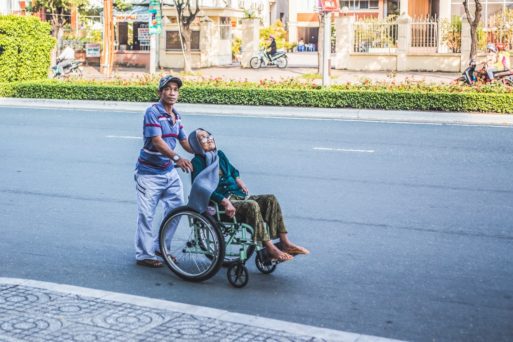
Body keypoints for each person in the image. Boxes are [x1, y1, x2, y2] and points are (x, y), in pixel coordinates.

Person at [189, 128, 310, 262]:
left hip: (237, 197)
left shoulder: (219, 155)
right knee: (252, 206)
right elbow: (201, 188)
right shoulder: (197, 162)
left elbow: (233, 170)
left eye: (209, 135)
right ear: (196, 144)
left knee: (270, 199)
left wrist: (238, 179)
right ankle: (270, 248)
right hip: (221, 206)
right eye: (203, 138)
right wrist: (224, 201)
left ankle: (285, 243)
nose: (209, 139)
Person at [134, 75, 194, 268]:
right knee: (146, 215)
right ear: (160, 92)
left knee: (175, 210)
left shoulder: (176, 116)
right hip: (149, 174)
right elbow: (157, 142)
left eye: (175, 89)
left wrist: (205, 149)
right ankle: (144, 254)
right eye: (167, 89)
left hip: (169, 173)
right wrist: (177, 158)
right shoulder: (152, 112)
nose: (172, 93)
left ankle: (161, 246)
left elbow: (185, 142)